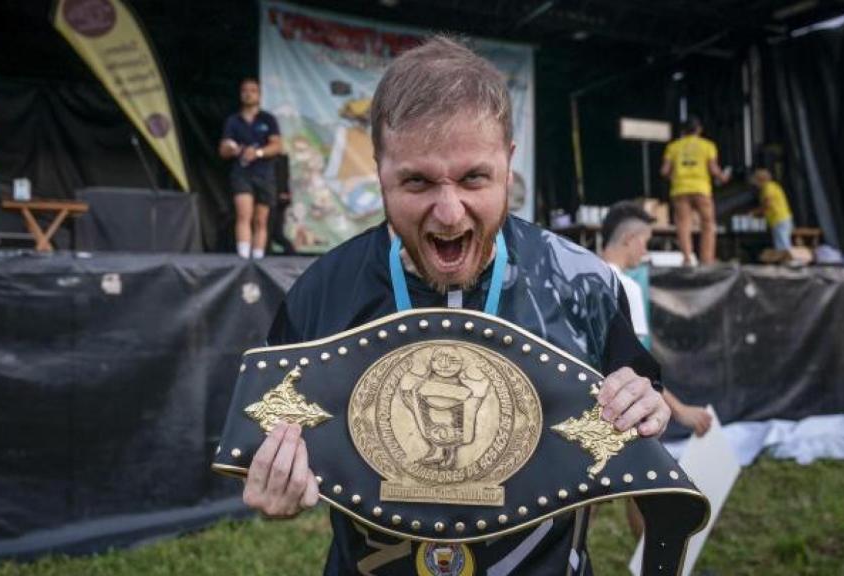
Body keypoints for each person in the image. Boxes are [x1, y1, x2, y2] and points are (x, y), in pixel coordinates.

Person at [241, 36, 671, 576]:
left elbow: (643, 398)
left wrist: (644, 408)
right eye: (417, 181)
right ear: (379, 170)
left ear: (509, 163)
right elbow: (263, 434)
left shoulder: (585, 284)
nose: (448, 213)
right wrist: (274, 481)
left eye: (473, 178)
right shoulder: (322, 291)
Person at [599, 201, 713, 539]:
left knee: (581, 509)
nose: (645, 251)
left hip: (587, 410)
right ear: (631, 238)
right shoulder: (627, 287)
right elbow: (639, 372)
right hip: (623, 412)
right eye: (645, 241)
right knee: (646, 494)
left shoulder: (579, 278)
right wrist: (681, 412)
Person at [219, 78, 283, 259]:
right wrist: (233, 149)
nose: (248, 94)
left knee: (261, 219)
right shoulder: (233, 120)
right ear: (240, 94)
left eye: (253, 90)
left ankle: (258, 258)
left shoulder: (268, 119)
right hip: (242, 173)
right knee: (243, 214)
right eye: (245, 90)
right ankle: (243, 258)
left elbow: (277, 146)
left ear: (259, 95)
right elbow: (223, 149)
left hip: (264, 174)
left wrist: (258, 153)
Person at [660, 116, 729, 266]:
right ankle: (707, 259)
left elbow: (664, 171)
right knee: (708, 223)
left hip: (680, 189)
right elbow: (713, 169)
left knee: (683, 224)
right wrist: (723, 177)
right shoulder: (708, 145)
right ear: (699, 129)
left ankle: (687, 258)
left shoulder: (673, 147)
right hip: (701, 189)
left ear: (684, 130)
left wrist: (674, 177)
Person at [751, 168, 794, 251]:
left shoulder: (768, 187)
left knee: (782, 241)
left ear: (761, 180)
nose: (755, 184)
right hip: (780, 219)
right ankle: (784, 260)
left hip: (779, 218)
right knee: (780, 242)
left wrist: (754, 213)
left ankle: (790, 259)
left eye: (756, 181)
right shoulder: (771, 186)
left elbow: (767, 204)